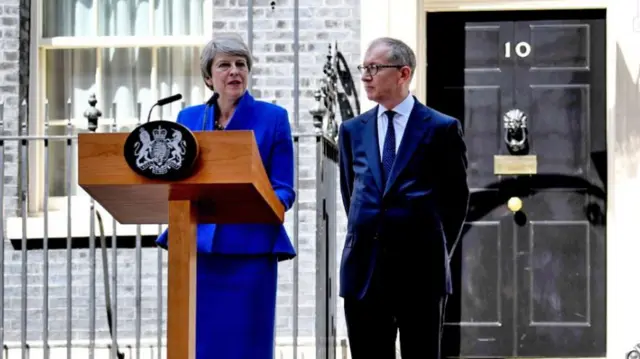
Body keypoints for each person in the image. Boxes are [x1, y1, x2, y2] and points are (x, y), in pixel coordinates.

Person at [156, 34, 297, 359]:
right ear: (209, 77)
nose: (234, 71)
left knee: (248, 343)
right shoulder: (188, 119)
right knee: (201, 343)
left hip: (251, 248)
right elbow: (177, 177)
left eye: (241, 64)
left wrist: (272, 205)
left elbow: (284, 187)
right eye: (224, 65)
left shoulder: (273, 117)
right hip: (197, 248)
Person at [337, 37, 470, 359]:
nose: (365, 76)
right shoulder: (352, 130)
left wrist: (433, 248)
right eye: (363, 68)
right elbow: (350, 192)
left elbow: (456, 200)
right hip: (364, 273)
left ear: (403, 73)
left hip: (421, 273)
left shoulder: (441, 128)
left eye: (374, 68)